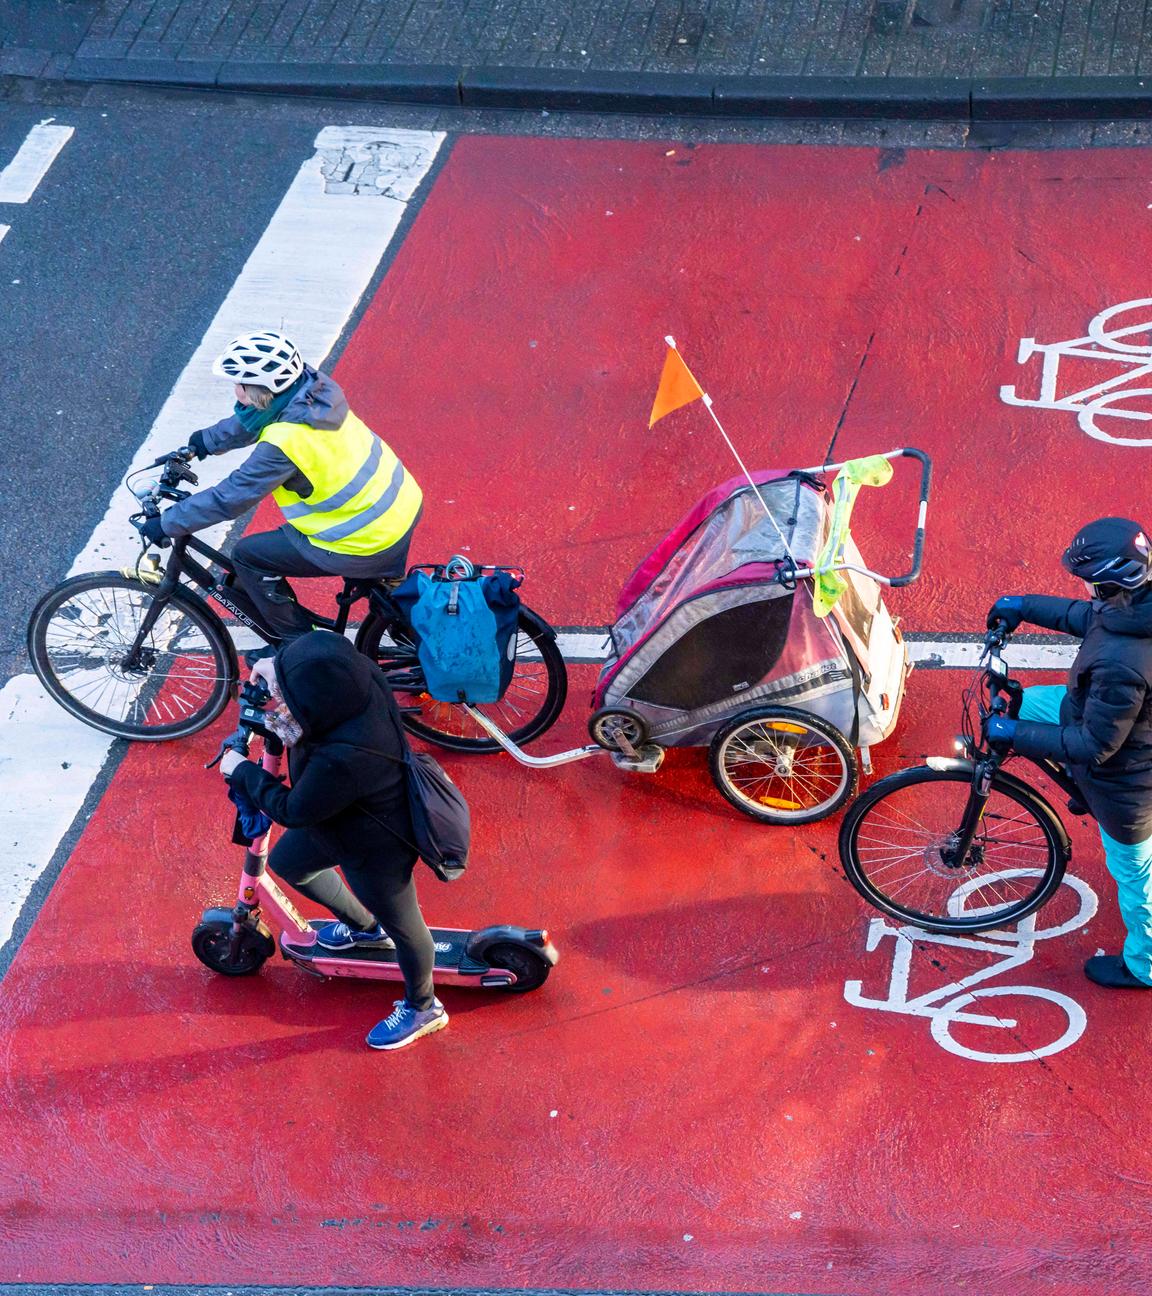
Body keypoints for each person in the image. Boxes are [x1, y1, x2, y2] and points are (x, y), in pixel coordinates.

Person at [218, 630, 448, 1050]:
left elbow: (292, 810)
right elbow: (308, 667)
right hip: (341, 817)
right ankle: (364, 927)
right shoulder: (359, 682)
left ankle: (424, 1006)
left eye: (291, 692)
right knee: (289, 863)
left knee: (407, 928)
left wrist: (242, 772)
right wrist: (277, 671)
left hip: (375, 842)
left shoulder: (346, 756)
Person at [141, 330, 422, 641]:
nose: (237, 392)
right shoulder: (316, 390)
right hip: (396, 505)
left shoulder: (286, 441)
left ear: (263, 391)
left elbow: (231, 497)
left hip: (362, 535)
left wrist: (168, 523)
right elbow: (256, 419)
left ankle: (299, 646)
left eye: (242, 386)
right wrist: (204, 443)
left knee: (248, 557)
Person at [987, 516, 1152, 990]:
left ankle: (1144, 965)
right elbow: (1088, 619)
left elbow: (1094, 746)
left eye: (1088, 581)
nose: (1085, 589)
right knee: (1032, 704)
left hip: (1128, 786)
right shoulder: (1132, 607)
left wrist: (1011, 734)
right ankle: (1077, 784)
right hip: (1102, 717)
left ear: (1108, 581)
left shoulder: (1124, 662)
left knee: (1137, 882)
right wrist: (1023, 607)